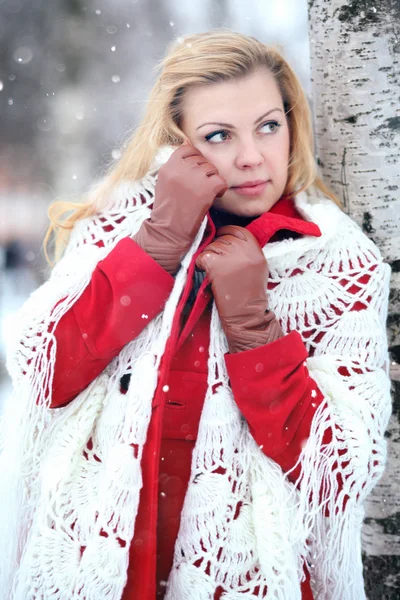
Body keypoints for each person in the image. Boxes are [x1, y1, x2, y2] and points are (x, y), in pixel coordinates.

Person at [0, 30, 392, 600]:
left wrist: (254, 330)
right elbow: (41, 370)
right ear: (179, 143)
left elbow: (338, 473)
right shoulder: (126, 221)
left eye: (267, 126)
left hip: (243, 579)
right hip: (95, 564)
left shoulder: (337, 262)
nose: (252, 156)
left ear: (291, 125)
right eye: (218, 136)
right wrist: (156, 244)